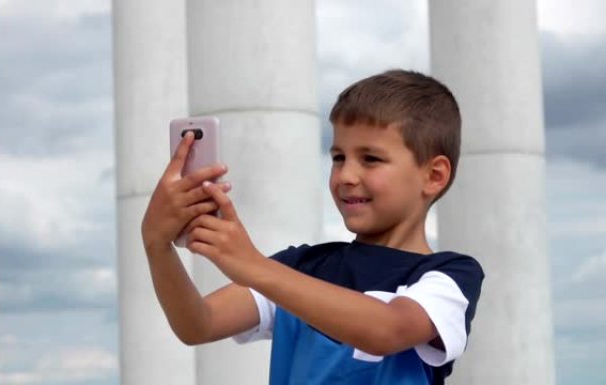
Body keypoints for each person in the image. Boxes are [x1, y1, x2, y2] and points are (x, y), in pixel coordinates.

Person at [141, 69, 484, 385]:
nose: (346, 176)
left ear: (434, 175)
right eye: (338, 157)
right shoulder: (301, 267)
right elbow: (197, 324)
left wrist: (253, 266)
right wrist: (156, 245)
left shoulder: (448, 276)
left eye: (371, 159)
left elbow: (387, 329)